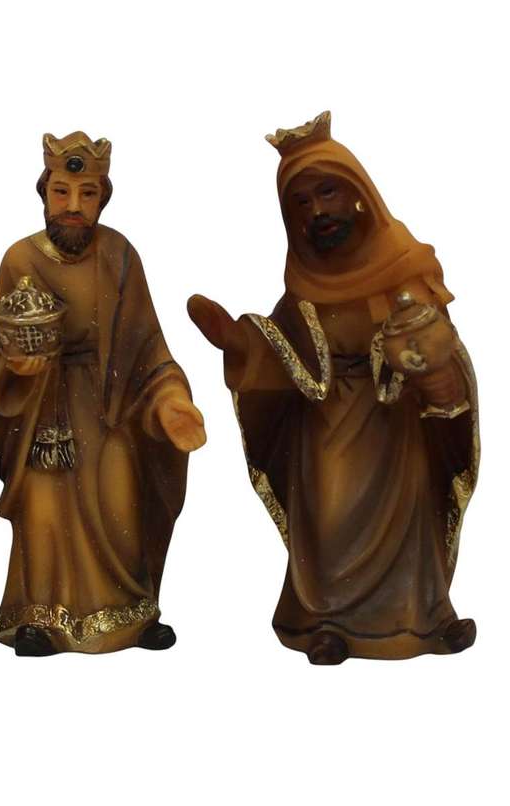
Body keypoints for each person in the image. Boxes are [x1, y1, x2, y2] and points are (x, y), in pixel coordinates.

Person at [189, 112, 479, 663]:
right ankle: (326, 622)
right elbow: (282, 350)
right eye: (301, 202)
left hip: (397, 430)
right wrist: (239, 343)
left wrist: (439, 375)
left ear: (358, 194)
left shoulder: (406, 267)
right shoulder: (304, 286)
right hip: (326, 428)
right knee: (326, 516)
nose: (317, 211)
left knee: (413, 520)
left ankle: (427, 618)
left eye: (327, 193)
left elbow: (440, 343)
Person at [0, 132, 206, 656]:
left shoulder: (119, 255)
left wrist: (171, 400)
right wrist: (17, 365)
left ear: (103, 197)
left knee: (121, 497)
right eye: (62, 192)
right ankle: (37, 616)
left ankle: (132, 611)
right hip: (43, 411)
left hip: (109, 407)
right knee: (43, 508)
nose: (73, 206)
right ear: (44, 192)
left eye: (87, 193)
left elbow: (148, 343)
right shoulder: (20, 258)